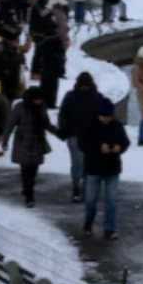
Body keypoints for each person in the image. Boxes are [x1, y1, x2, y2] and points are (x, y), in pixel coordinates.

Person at [80, 96, 130, 239]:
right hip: (93, 168)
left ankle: (109, 228)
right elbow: (82, 144)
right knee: (90, 200)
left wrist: (119, 148)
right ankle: (88, 223)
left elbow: (125, 142)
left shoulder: (117, 125)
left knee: (112, 200)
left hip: (112, 168)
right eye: (104, 116)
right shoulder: (89, 125)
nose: (107, 119)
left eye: (109, 116)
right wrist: (98, 147)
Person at [1, 87, 53, 208]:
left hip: (37, 141)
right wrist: (5, 141)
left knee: (34, 169)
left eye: (40, 99)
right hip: (23, 141)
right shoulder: (20, 107)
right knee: (25, 168)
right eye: (37, 99)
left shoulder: (42, 107)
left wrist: (59, 132)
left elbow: (46, 122)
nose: (39, 102)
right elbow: (10, 124)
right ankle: (29, 195)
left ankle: (28, 188)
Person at [57, 72, 102, 202]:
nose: (84, 88)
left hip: (91, 136)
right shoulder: (71, 97)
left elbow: (104, 115)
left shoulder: (97, 98)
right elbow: (63, 114)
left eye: (86, 85)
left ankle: (85, 188)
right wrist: (63, 129)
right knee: (78, 163)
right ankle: (77, 186)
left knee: (88, 163)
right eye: (82, 85)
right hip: (74, 135)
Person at [38, 28, 66, 109]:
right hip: (53, 68)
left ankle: (44, 102)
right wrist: (61, 70)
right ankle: (51, 103)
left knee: (45, 86)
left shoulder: (44, 42)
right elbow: (61, 57)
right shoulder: (58, 42)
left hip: (46, 67)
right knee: (52, 87)